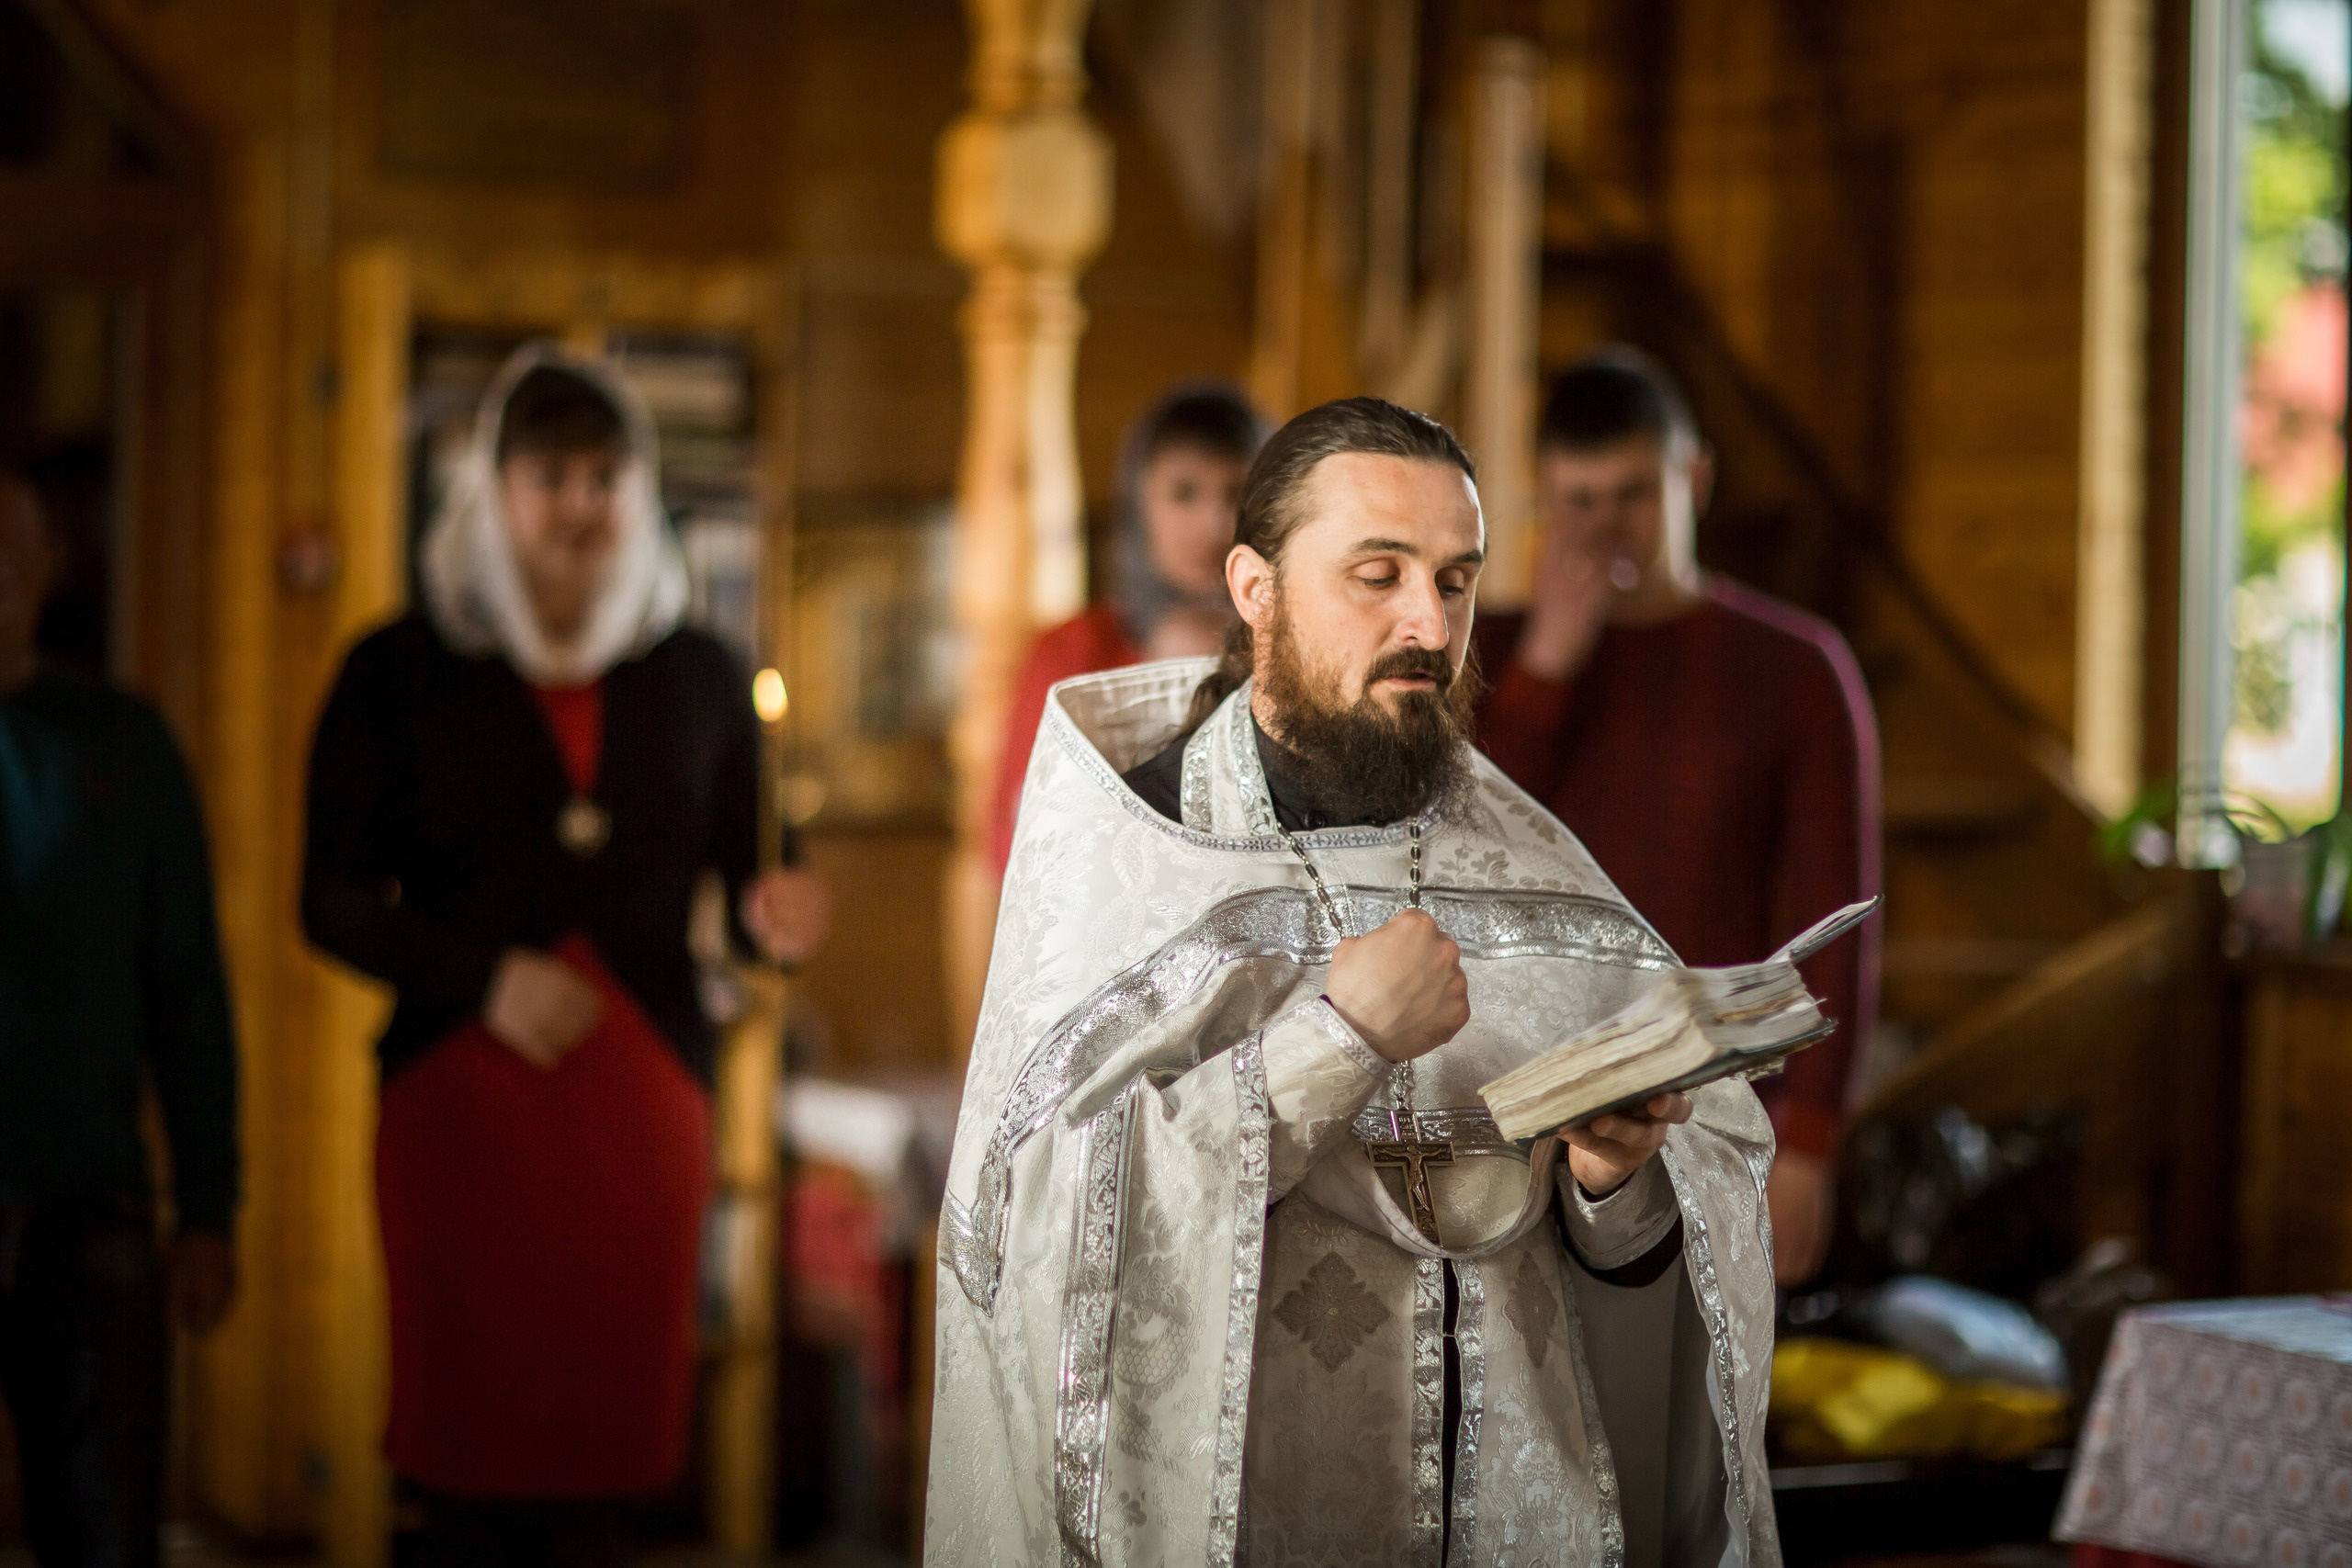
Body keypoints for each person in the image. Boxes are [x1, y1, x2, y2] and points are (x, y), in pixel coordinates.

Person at [930, 399, 1780, 1566]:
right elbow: (1027, 1225)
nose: (1428, 622)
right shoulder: (1135, 849)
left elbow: (1643, 1283)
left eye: (1456, 580)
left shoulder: (1529, 862)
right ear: (1255, 587)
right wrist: (1335, 1042)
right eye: (1377, 576)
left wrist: (1613, 1182)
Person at [301, 346, 828, 1564]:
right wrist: (483, 978)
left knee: (606, 1477)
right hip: (457, 1110)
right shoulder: (395, 670)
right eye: (551, 477)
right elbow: (327, 901)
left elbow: (755, 877)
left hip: (641, 1115)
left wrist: (782, 914)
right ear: (492, 490)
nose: (583, 505)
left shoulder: (700, 671)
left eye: (607, 477)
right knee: (466, 1470)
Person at [1472, 348, 1881, 1285]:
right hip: (1518, 1107)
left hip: (1715, 1111)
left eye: (1631, 494)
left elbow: (1839, 919)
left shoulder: (1797, 667)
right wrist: (1548, 666)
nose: (1602, 528)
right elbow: (1465, 853)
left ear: (1691, 480)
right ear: (1541, 499)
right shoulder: (1492, 650)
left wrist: (1810, 1145)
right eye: (1576, 500)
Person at [0, 470, 240, 1568]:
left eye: (10, 558)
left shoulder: (124, 747)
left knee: (105, 1540)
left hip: (90, 1218)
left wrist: (208, 1205)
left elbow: (188, 988)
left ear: (47, 570)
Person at [989, 382, 1265, 872]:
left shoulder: (1303, 653)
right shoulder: (1072, 654)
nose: (1214, 522)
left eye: (1236, 494)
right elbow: (1013, 844)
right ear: (1139, 507)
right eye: (1183, 493)